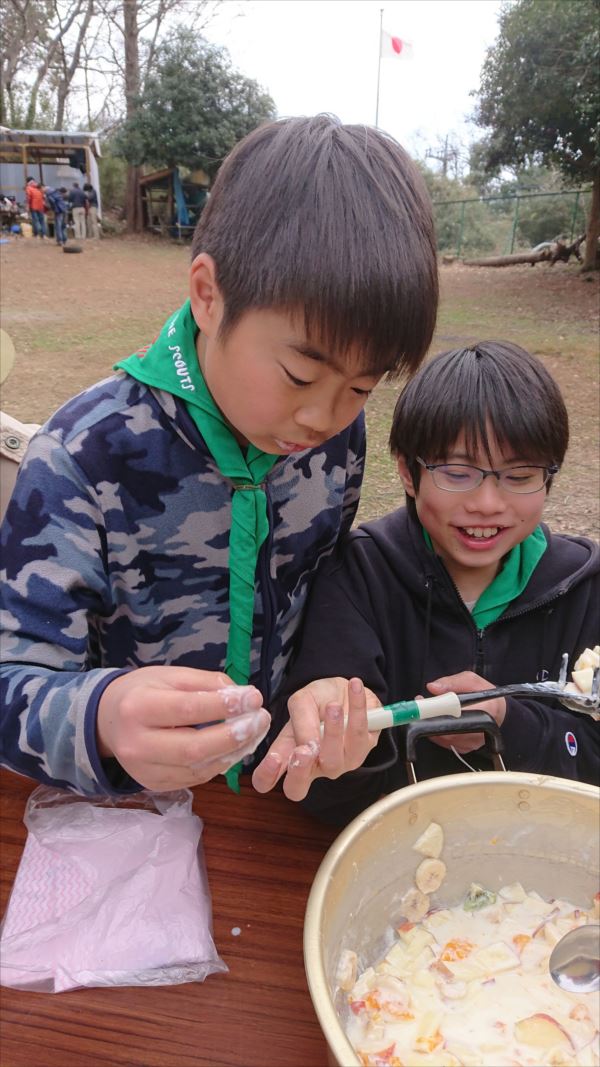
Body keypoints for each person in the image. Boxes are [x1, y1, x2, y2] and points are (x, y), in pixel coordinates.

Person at [0, 115, 438, 798]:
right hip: (122, 812)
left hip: (272, 798)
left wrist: (328, 671)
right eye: (299, 374)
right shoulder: (82, 457)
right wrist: (103, 718)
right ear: (208, 294)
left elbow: (325, 581)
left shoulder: (333, 443)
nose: (323, 418)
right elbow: (12, 679)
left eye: (361, 386)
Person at [253, 341, 599, 825]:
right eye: (457, 473)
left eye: (520, 476)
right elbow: (325, 799)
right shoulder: (357, 576)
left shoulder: (585, 588)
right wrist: (343, 743)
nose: (487, 503)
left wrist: (506, 724)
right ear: (407, 472)